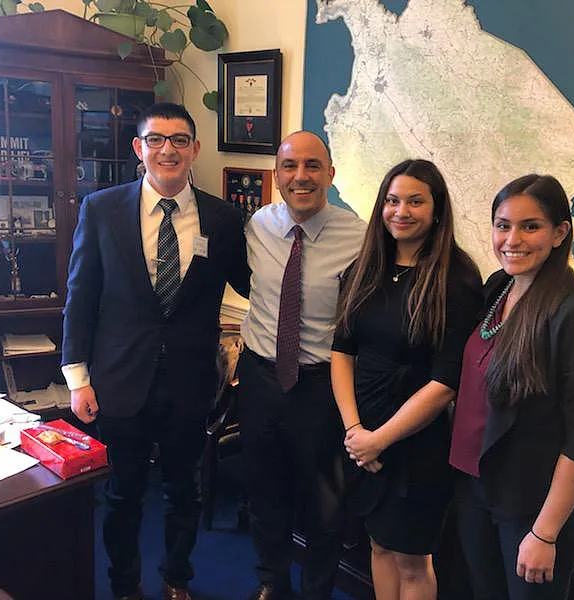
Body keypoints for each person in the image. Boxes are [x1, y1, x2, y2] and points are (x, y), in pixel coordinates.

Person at [61, 102, 249, 600]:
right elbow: (81, 297)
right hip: (120, 379)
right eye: (157, 139)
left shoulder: (224, 217)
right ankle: (124, 585)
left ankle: (176, 579)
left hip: (189, 380)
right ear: (138, 148)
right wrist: (78, 379)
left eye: (180, 140)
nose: (168, 149)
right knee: (122, 494)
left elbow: (254, 285)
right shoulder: (101, 209)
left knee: (183, 491)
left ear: (195, 149)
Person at [449, 174, 574, 600]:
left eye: (530, 226)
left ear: (560, 233)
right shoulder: (497, 287)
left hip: (530, 509)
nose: (513, 239)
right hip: (473, 488)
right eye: (503, 225)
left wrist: (545, 533)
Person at [330, 159, 482, 599]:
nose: (402, 211)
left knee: (412, 559)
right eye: (393, 200)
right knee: (377, 545)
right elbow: (342, 351)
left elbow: (445, 382)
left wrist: (380, 440)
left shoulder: (457, 278)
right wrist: (356, 430)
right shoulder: (365, 267)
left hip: (416, 441)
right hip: (360, 432)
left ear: (436, 210)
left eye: (416, 201)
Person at [239, 131, 367, 600]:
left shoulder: (360, 237)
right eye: (290, 166)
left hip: (320, 385)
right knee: (264, 491)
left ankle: (317, 590)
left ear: (330, 174)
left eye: (313, 166)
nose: (301, 176)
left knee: (325, 506)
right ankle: (272, 581)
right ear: (277, 176)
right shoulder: (256, 225)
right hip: (259, 379)